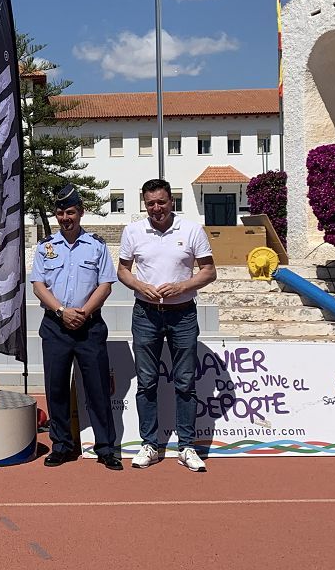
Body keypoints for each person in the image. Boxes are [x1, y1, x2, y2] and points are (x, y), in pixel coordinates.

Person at [118, 178, 217, 472]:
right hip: (146, 313)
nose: (156, 208)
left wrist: (183, 286)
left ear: (171, 201)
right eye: (150, 204)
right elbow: (123, 270)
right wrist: (138, 285)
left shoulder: (191, 229)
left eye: (161, 202)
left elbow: (209, 271)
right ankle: (150, 443)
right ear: (144, 204)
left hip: (183, 314)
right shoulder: (133, 230)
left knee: (185, 382)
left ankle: (186, 446)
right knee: (147, 381)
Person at [30, 185, 121, 470]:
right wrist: (61, 311)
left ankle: (106, 448)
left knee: (97, 391)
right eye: (60, 212)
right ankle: (62, 446)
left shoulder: (97, 245)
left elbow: (105, 284)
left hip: (89, 326)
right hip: (56, 326)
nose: (65, 217)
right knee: (56, 389)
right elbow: (38, 285)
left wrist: (84, 312)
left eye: (70, 212)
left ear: (80, 212)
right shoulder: (46, 247)